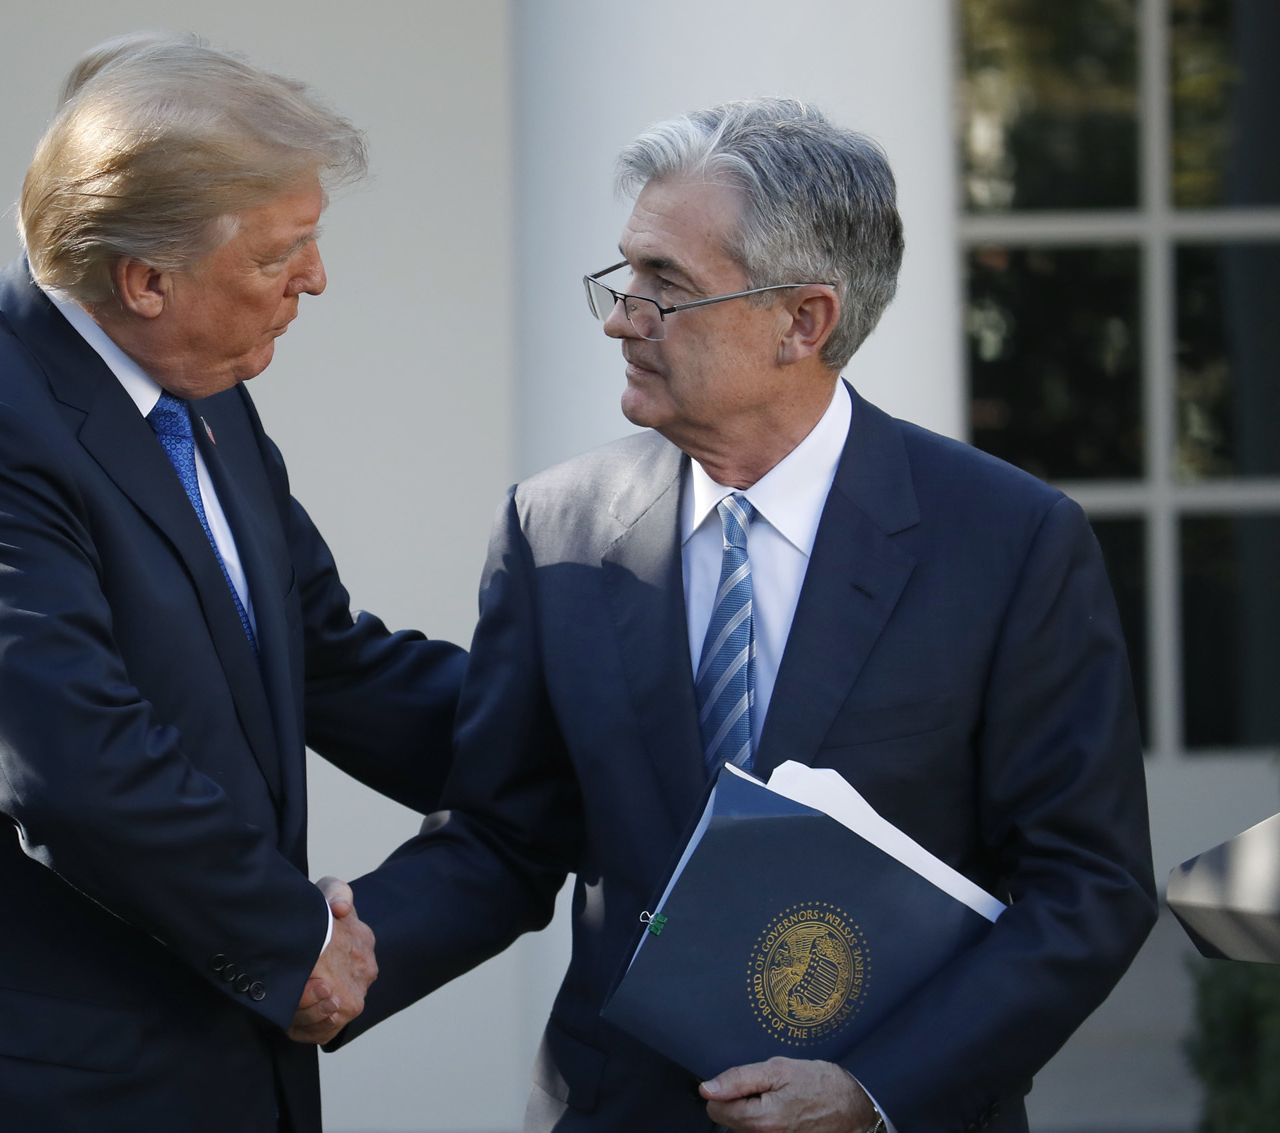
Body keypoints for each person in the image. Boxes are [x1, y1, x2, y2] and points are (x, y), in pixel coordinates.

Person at [327, 100, 1157, 1132]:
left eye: (665, 285)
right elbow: (505, 835)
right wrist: (330, 954)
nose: (621, 316)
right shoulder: (555, 529)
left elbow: (1087, 885)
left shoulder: (1007, 541)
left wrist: (872, 1088)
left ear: (803, 321)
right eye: (626, 273)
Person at [0, 33, 464, 1133]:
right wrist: (293, 937)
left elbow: (328, 658)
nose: (314, 277)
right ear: (146, 280)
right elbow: (71, 764)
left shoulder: (199, 395)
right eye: (281, 251)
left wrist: (586, 741)